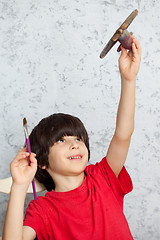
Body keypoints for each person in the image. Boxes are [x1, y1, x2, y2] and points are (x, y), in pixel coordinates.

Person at [2, 35, 141, 240]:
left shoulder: (103, 177)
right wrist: (20, 186)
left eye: (78, 139)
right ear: (41, 162)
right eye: (61, 140)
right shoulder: (42, 210)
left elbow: (123, 135)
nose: (74, 145)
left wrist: (128, 79)